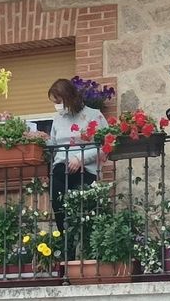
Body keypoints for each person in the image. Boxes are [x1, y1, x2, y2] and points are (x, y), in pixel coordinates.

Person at [47, 78, 108, 235]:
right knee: (59, 208)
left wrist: (81, 158)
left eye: (59, 101)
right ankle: (66, 245)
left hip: (85, 172)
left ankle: (86, 250)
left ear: (69, 97)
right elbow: (53, 145)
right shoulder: (57, 119)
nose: (57, 106)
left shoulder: (94, 115)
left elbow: (106, 146)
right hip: (61, 170)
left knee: (84, 213)